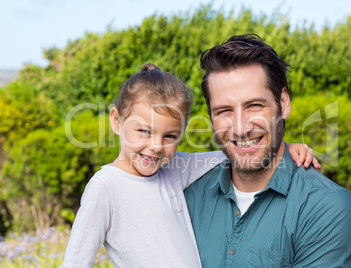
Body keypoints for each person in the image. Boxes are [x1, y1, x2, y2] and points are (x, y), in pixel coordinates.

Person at [61, 63, 318, 267]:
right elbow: (75, 262)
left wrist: (285, 148)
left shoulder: (172, 169)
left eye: (169, 136)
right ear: (116, 121)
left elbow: (232, 152)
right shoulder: (105, 187)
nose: (155, 146)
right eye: (143, 131)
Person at [184, 34, 351, 267]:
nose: (240, 128)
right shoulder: (186, 195)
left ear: (284, 103)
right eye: (224, 111)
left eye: (254, 106)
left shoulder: (325, 207)